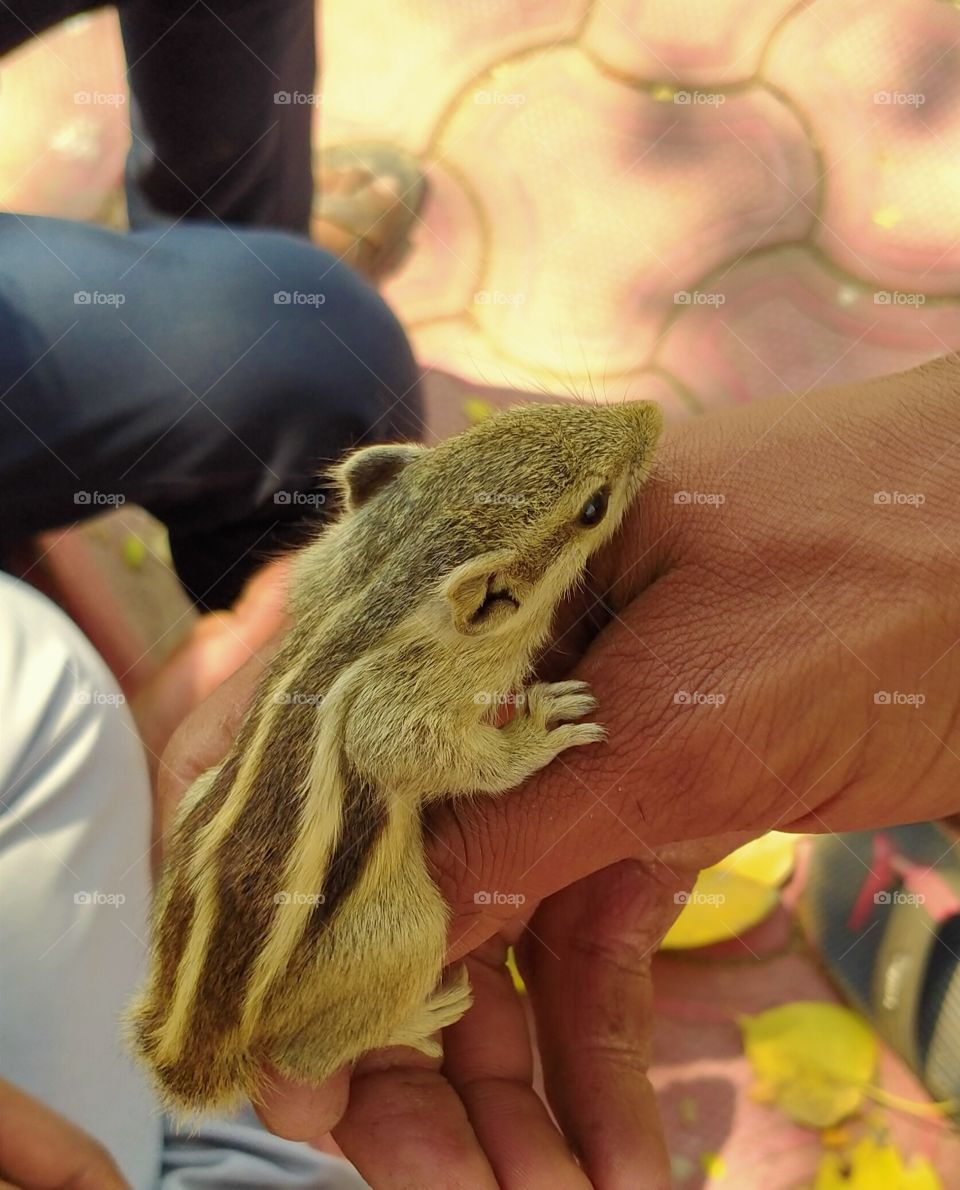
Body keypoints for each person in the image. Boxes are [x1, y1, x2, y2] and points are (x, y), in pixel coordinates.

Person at [153, 352, 960, 1189]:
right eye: (594, 511)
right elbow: (407, 743)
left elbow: (339, 613)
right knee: (402, 933)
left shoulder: (347, 572)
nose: (644, 428)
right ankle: (332, 1030)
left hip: (256, 850)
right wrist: (517, 749)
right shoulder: (423, 666)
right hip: (328, 890)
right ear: (490, 596)